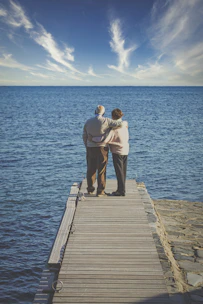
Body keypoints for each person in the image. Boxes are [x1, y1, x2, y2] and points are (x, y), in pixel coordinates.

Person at [83, 105, 122, 197]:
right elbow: (119, 123)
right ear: (103, 113)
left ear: (95, 111)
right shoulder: (106, 121)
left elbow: (84, 135)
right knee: (102, 169)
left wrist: (87, 145)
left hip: (90, 147)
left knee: (90, 169)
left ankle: (90, 189)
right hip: (102, 148)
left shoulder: (88, 121)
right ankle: (100, 191)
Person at [92, 108, 129, 196]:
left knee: (119, 171)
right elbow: (125, 123)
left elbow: (104, 140)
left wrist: (92, 138)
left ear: (113, 117)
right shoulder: (124, 124)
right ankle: (122, 189)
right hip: (125, 150)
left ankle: (121, 191)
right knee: (123, 171)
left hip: (117, 151)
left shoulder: (113, 129)